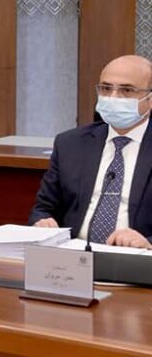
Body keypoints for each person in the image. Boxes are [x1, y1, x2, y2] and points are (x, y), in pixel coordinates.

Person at [29, 55, 152, 249]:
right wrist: (42, 222)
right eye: (106, 88)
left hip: (137, 258)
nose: (113, 97)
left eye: (127, 90)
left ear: (150, 99)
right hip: (73, 254)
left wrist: (148, 243)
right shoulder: (70, 144)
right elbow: (44, 208)